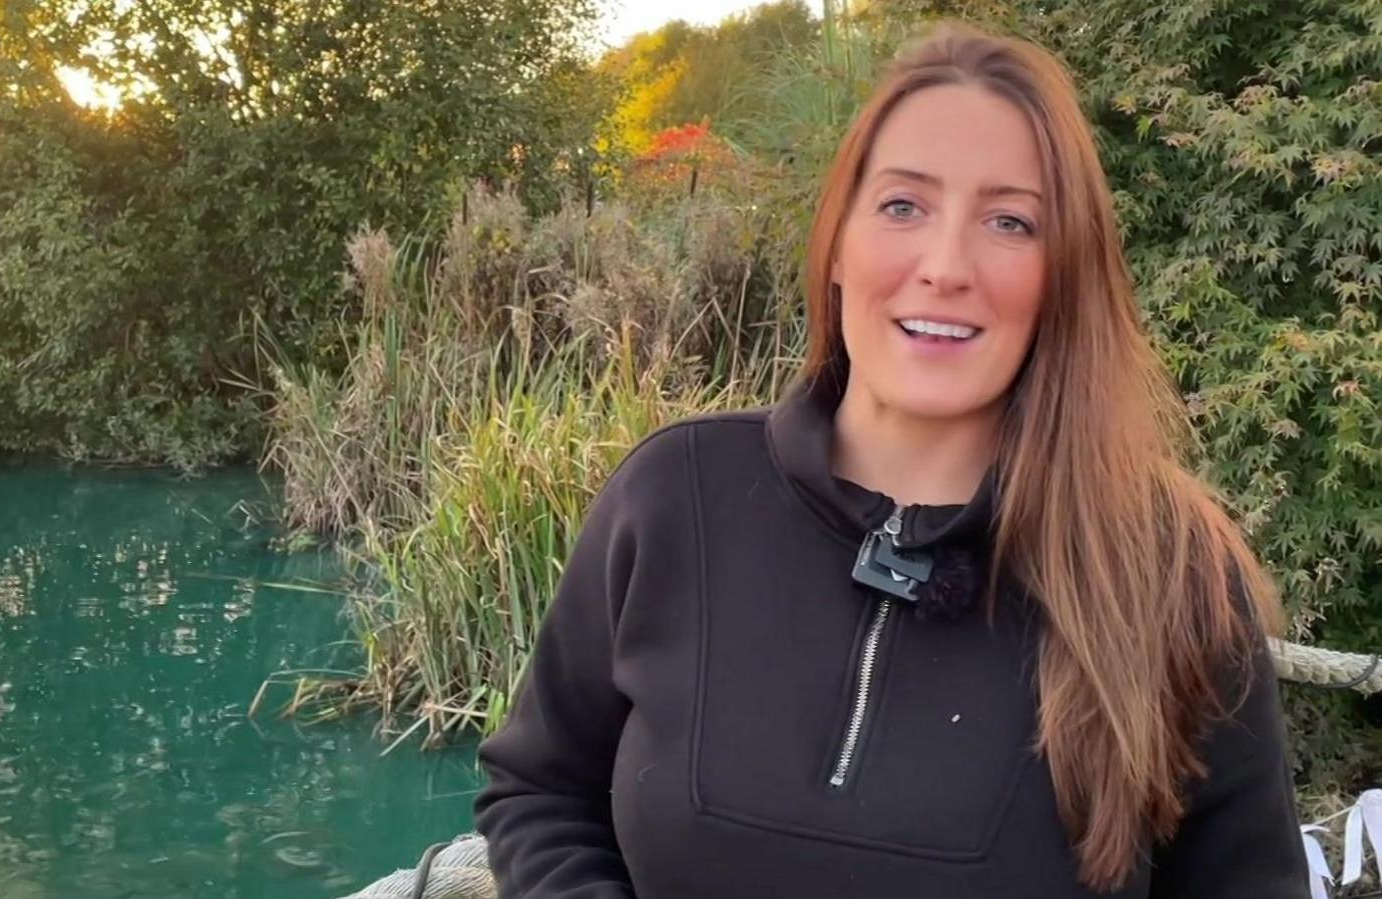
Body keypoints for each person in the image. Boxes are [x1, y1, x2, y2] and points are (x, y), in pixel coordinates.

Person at [473, 19, 1310, 899]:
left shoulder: (1169, 571)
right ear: (838, 242)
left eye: (1010, 220)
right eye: (903, 205)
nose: (946, 265)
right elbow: (543, 787)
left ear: (1063, 272)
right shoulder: (674, 498)